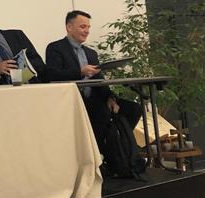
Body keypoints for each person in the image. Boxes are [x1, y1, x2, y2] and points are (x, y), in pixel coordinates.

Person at [45, 10, 142, 139]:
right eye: (82, 27)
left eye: (88, 27)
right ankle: (104, 148)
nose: (87, 31)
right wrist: (80, 72)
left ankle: (119, 146)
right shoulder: (55, 48)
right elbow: (53, 75)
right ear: (69, 27)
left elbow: (99, 79)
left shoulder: (91, 53)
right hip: (74, 100)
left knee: (134, 109)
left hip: (96, 98)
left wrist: (110, 98)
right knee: (102, 113)